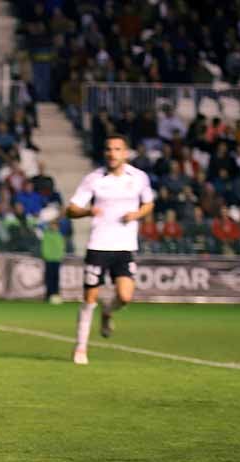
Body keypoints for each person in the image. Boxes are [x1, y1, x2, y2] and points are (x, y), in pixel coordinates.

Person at [66, 134, 154, 365]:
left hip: (125, 247)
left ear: (125, 153)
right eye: (108, 149)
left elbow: (149, 203)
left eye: (117, 149)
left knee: (125, 297)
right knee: (89, 298)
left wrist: (136, 214)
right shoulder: (94, 179)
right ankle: (81, 348)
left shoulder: (139, 178)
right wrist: (88, 211)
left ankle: (108, 311)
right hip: (98, 246)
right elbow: (71, 209)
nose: (112, 153)